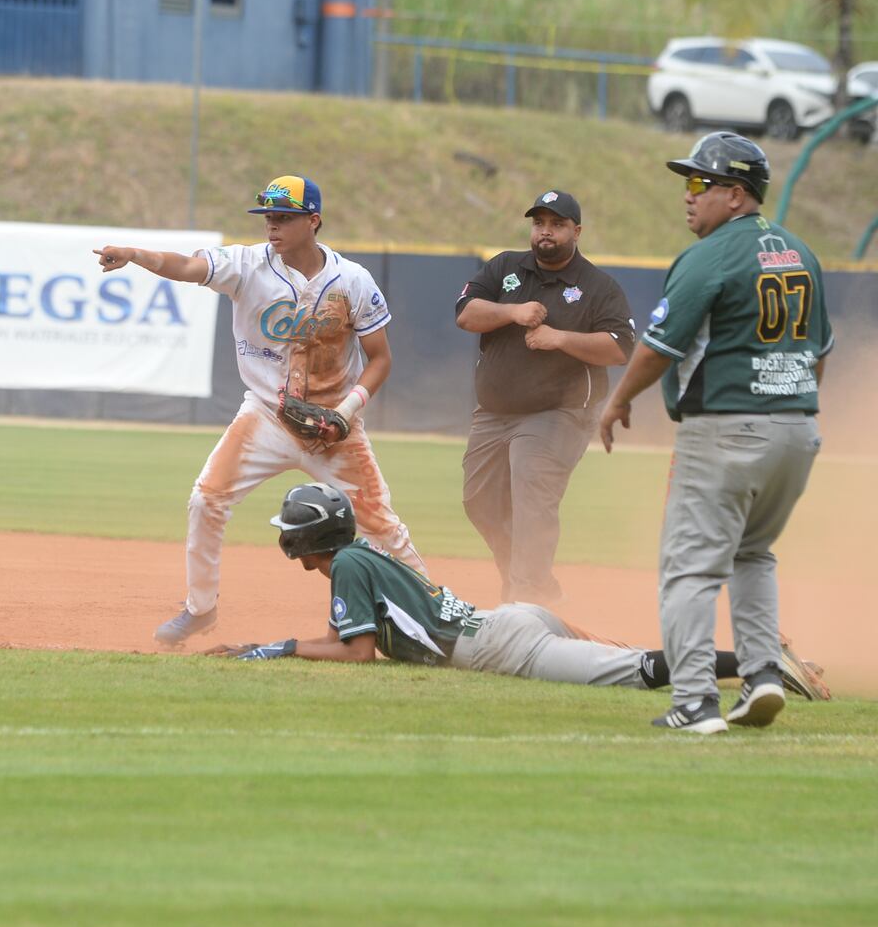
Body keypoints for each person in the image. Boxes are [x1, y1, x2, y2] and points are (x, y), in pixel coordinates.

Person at [95, 174, 425, 647]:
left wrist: (349, 411)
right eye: (269, 216)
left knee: (382, 526)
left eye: (284, 217)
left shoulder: (352, 280)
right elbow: (188, 266)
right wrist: (136, 255)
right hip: (267, 416)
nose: (273, 225)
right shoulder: (246, 265)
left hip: (334, 425)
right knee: (206, 499)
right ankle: (200, 610)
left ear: (313, 220)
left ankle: (431, 607)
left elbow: (381, 358)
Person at [599, 132, 833, 734]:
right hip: (798, 430)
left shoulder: (709, 257)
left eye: (700, 183)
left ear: (736, 194)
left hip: (727, 428)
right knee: (754, 553)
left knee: (689, 567)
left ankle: (696, 701)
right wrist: (791, 406)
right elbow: (820, 352)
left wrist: (618, 400)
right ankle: (760, 677)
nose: (688, 194)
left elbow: (658, 348)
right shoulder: (800, 252)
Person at [205, 483, 830, 706]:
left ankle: (763, 663)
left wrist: (276, 648)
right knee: (623, 654)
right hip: (507, 620)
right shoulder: (363, 552)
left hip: (500, 646)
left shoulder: (346, 567)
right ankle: (763, 654)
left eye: (292, 532)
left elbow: (358, 653)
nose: (288, 542)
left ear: (308, 538)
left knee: (636, 671)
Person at [455, 191, 635, 605]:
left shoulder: (598, 287)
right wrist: (512, 312)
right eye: (539, 223)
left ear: (576, 230)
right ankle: (530, 582)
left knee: (531, 494)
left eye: (556, 224)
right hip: (494, 412)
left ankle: (528, 598)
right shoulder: (505, 267)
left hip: (559, 411)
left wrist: (560, 339)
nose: (546, 232)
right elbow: (466, 313)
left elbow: (621, 347)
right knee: (478, 501)